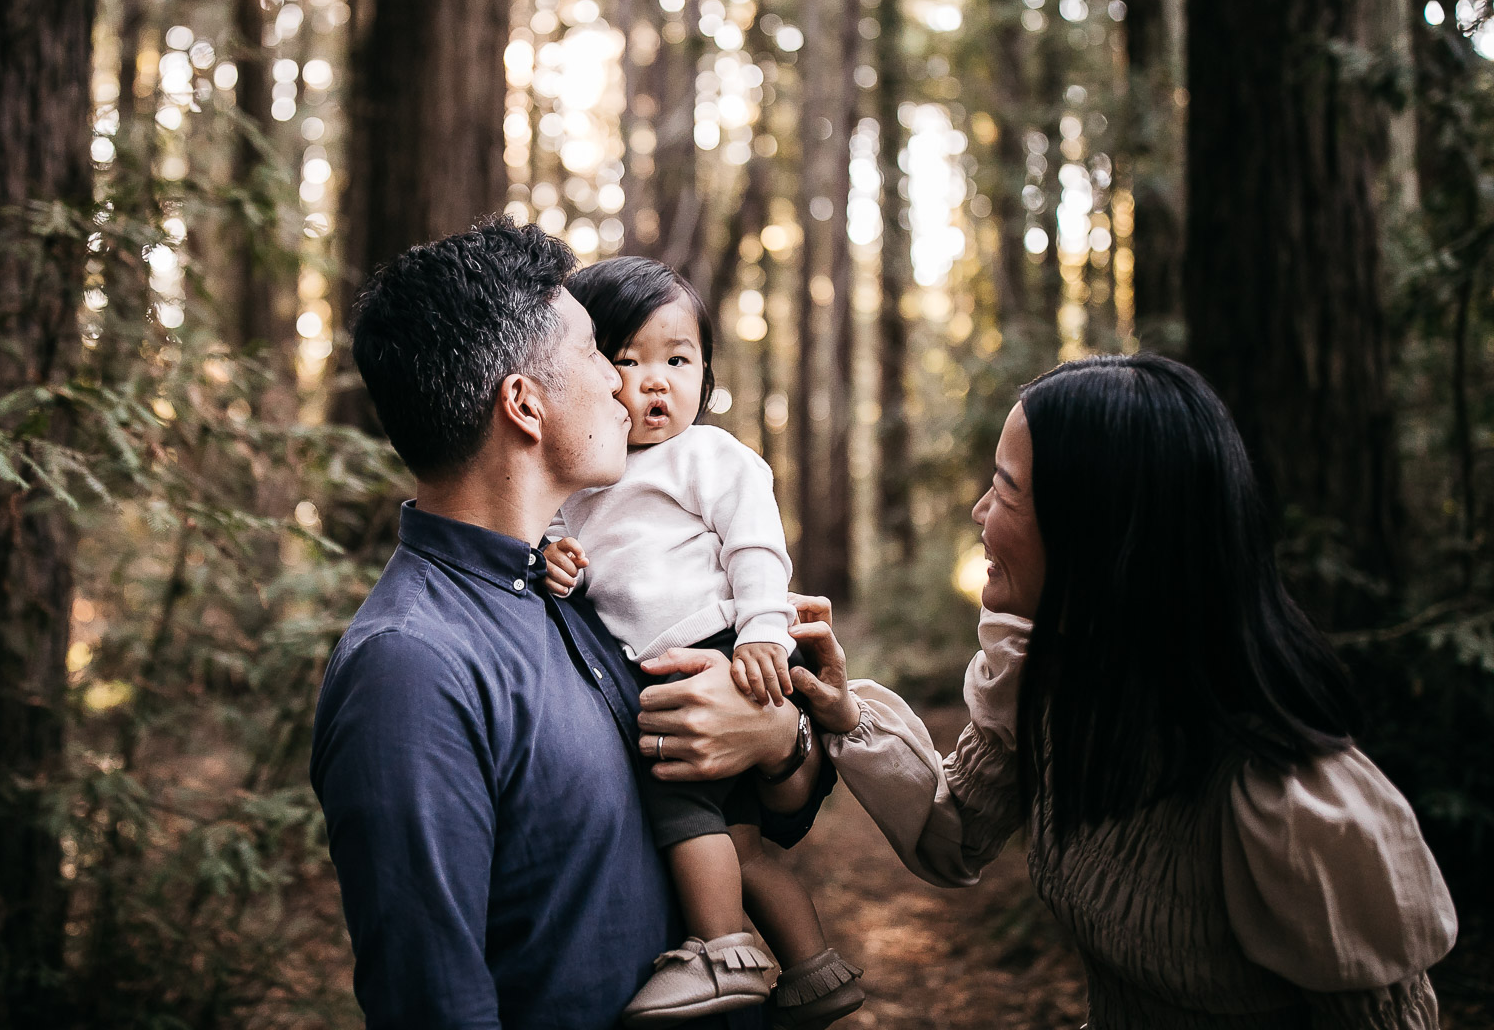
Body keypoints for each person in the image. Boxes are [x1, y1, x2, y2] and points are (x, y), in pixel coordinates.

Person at [774, 354, 1459, 1029]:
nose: (980, 511)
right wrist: (847, 714)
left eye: (1006, 490)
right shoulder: (1050, 687)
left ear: (1094, 530)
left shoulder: (1289, 807)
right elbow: (953, 833)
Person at [309, 216, 834, 1030]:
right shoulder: (410, 669)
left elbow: (772, 819)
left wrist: (780, 737)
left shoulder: (581, 591)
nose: (627, 388)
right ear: (525, 405)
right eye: (600, 354)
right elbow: (434, 1003)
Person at [543, 257, 863, 1029]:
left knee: (676, 796)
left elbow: (756, 548)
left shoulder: (709, 456)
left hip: (719, 650)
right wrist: (555, 557)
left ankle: (720, 949)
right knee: (742, 845)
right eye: (628, 360)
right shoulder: (582, 480)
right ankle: (815, 968)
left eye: (678, 361)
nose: (655, 382)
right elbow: (559, 548)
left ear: (706, 375)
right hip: (682, 657)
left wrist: (762, 633)